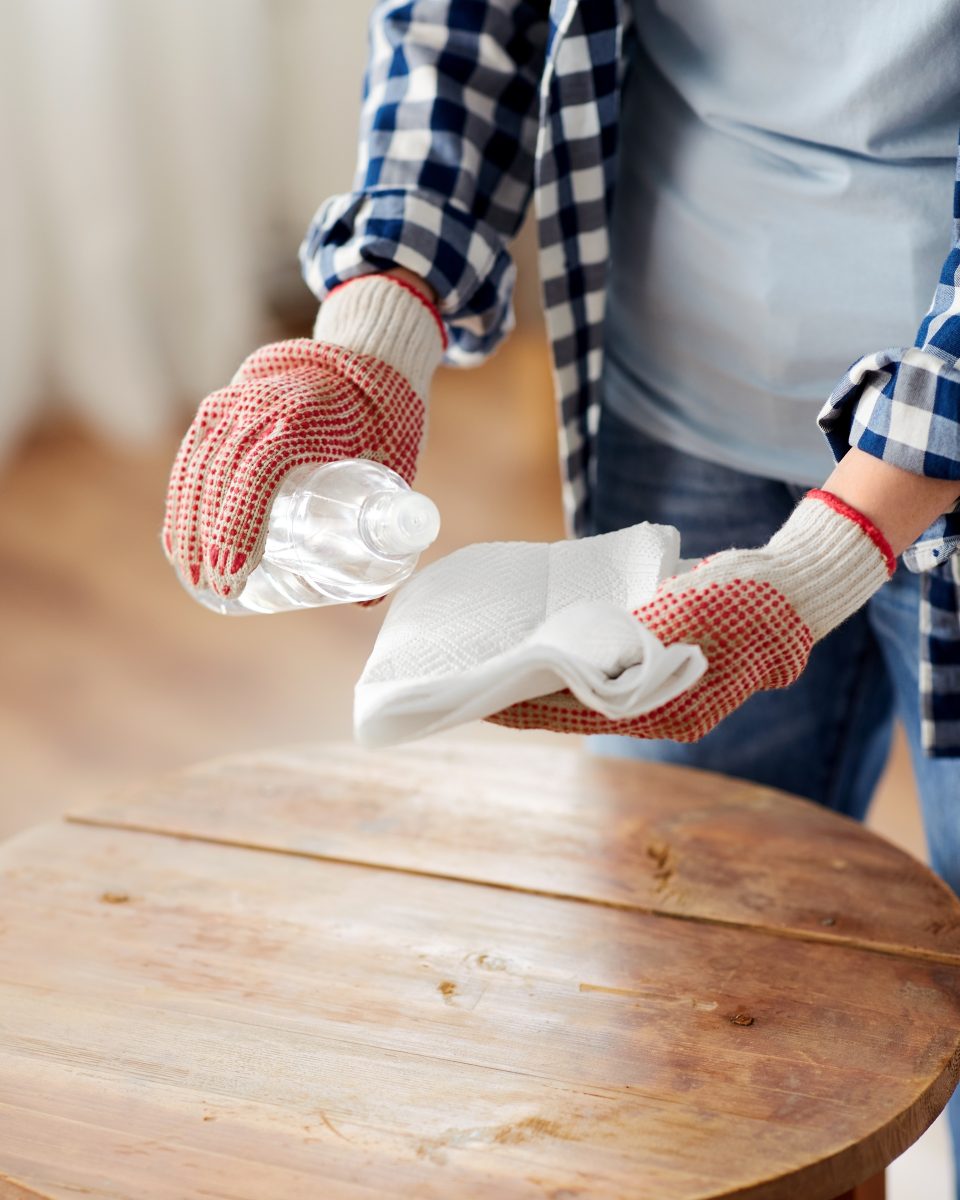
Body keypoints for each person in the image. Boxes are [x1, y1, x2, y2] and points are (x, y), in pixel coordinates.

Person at [163, 1, 960, 1183]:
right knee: (681, 1014)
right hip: (681, 400)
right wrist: (373, 336)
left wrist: (829, 553)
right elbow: (463, 26)